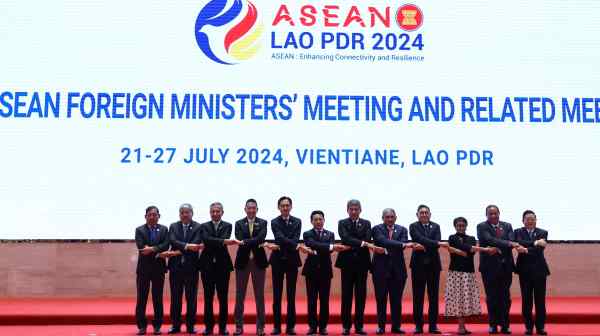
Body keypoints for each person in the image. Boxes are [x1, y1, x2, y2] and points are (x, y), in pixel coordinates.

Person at [371, 208, 420, 335]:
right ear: (383, 218)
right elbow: (382, 241)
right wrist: (401, 245)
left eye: (392, 217)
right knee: (381, 299)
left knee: (396, 300)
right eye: (387, 217)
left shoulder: (403, 229)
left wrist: (395, 247)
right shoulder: (376, 229)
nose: (390, 219)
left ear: (396, 217)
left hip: (398, 271)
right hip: (380, 270)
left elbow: (401, 243)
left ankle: (396, 326)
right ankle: (381, 326)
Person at [477, 205, 524, 334]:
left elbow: (512, 239)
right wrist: (508, 244)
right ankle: (493, 324)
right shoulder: (481, 226)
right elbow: (488, 239)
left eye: (495, 213)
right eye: (490, 214)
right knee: (492, 297)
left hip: (506, 266)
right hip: (489, 268)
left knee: (505, 297)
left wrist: (505, 243)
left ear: (499, 213)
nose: (493, 216)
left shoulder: (507, 225)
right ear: (486, 215)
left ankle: (505, 325)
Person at [302, 210, 349, 336]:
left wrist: (325, 248)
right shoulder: (307, 234)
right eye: (315, 219)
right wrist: (329, 247)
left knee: (324, 301)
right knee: (311, 301)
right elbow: (311, 244)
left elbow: (323, 249)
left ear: (324, 220)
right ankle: (312, 327)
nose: (318, 221)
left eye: (320, 219)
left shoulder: (330, 234)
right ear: (311, 221)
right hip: (311, 271)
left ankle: (323, 327)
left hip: (325, 272)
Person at [269, 196, 311, 335]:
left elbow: (290, 239)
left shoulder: (297, 221)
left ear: (291, 207)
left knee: (291, 295)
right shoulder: (274, 221)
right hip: (277, 261)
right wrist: (298, 246)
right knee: (277, 295)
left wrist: (292, 244)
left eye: (287, 205)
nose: (285, 208)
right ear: (279, 207)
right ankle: (276, 326)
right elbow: (280, 238)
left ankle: (290, 326)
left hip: (292, 261)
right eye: (282, 205)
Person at [335, 199, 377, 336]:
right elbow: (345, 238)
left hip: (362, 264)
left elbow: (367, 238)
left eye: (356, 209)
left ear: (360, 210)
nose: (354, 211)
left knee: (361, 295)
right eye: (351, 209)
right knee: (346, 295)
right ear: (347, 210)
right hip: (346, 264)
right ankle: (346, 326)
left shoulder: (366, 223)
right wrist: (363, 243)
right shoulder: (342, 223)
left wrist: (361, 243)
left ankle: (359, 326)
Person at [199, 202, 240, 335]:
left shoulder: (228, 225)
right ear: (210, 213)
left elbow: (222, 239)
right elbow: (206, 240)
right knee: (208, 297)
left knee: (223, 298)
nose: (215, 214)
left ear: (222, 212)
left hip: (223, 266)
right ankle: (208, 327)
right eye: (213, 211)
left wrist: (218, 241)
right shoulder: (204, 226)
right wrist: (221, 241)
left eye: (218, 211)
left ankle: (223, 327)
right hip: (207, 266)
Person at [443, 217, 489, 335]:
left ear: (466, 226)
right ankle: (461, 327)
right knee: (458, 299)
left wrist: (457, 250)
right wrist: (460, 250)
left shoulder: (472, 238)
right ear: (455, 226)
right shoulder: (452, 237)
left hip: (468, 273)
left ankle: (463, 326)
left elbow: (470, 250)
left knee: (466, 300)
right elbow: (462, 247)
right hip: (455, 273)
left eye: (463, 225)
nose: (461, 227)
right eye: (458, 225)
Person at [409, 205, 447, 334]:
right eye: (421, 213)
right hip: (417, 266)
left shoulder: (436, 226)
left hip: (433, 266)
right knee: (418, 297)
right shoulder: (413, 226)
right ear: (417, 214)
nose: (424, 214)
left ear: (430, 214)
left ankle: (433, 325)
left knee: (433, 296)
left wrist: (428, 245)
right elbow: (418, 238)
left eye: (426, 212)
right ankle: (418, 325)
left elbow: (436, 242)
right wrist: (435, 244)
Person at [233, 199, 269, 336]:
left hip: (259, 262)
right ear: (245, 209)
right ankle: (238, 327)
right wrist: (253, 242)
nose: (251, 210)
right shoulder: (238, 223)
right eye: (249, 208)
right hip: (242, 262)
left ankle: (260, 327)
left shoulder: (264, 222)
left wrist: (246, 242)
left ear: (257, 209)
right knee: (239, 295)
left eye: (254, 208)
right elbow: (239, 238)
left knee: (259, 296)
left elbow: (261, 238)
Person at [168, 203, 204, 335]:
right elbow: (172, 241)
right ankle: (175, 325)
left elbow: (197, 242)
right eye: (182, 212)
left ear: (192, 213)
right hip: (175, 268)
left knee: (191, 298)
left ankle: (190, 325)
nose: (185, 214)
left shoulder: (198, 227)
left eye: (187, 212)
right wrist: (188, 246)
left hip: (191, 268)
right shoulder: (173, 226)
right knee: (175, 297)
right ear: (179, 214)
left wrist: (184, 246)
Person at [134, 206, 170, 335]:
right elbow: (141, 247)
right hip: (143, 269)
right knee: (142, 298)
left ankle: (157, 326)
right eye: (149, 215)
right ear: (145, 216)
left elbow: (166, 245)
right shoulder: (139, 230)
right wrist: (157, 249)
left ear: (159, 216)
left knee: (157, 298)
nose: (152, 217)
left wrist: (153, 249)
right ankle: (141, 326)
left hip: (159, 269)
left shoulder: (164, 229)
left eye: (154, 215)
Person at [513, 210, 550, 335]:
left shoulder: (543, 232)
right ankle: (528, 327)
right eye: (527, 219)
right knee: (526, 300)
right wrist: (534, 243)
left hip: (540, 271)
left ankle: (540, 327)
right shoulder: (517, 232)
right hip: (524, 271)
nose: (530, 221)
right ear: (523, 221)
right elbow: (518, 244)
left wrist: (526, 250)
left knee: (540, 300)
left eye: (532, 219)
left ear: (536, 220)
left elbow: (539, 250)